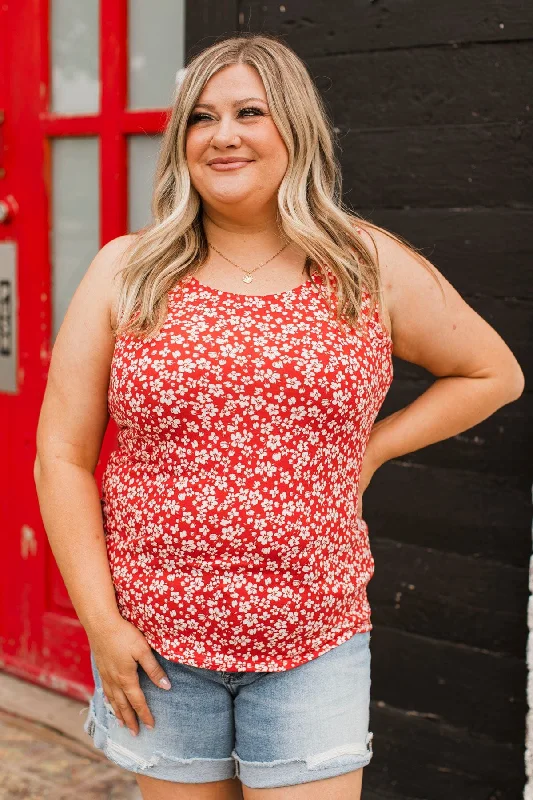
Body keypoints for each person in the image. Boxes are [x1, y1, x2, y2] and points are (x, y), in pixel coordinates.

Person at [33, 32, 524, 800]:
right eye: (200, 117)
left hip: (312, 638)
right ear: (180, 141)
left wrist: (373, 450)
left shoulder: (364, 263)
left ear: (292, 126)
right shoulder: (126, 272)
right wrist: (101, 622)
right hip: (159, 646)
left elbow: (492, 373)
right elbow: (60, 453)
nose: (222, 135)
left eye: (249, 111)